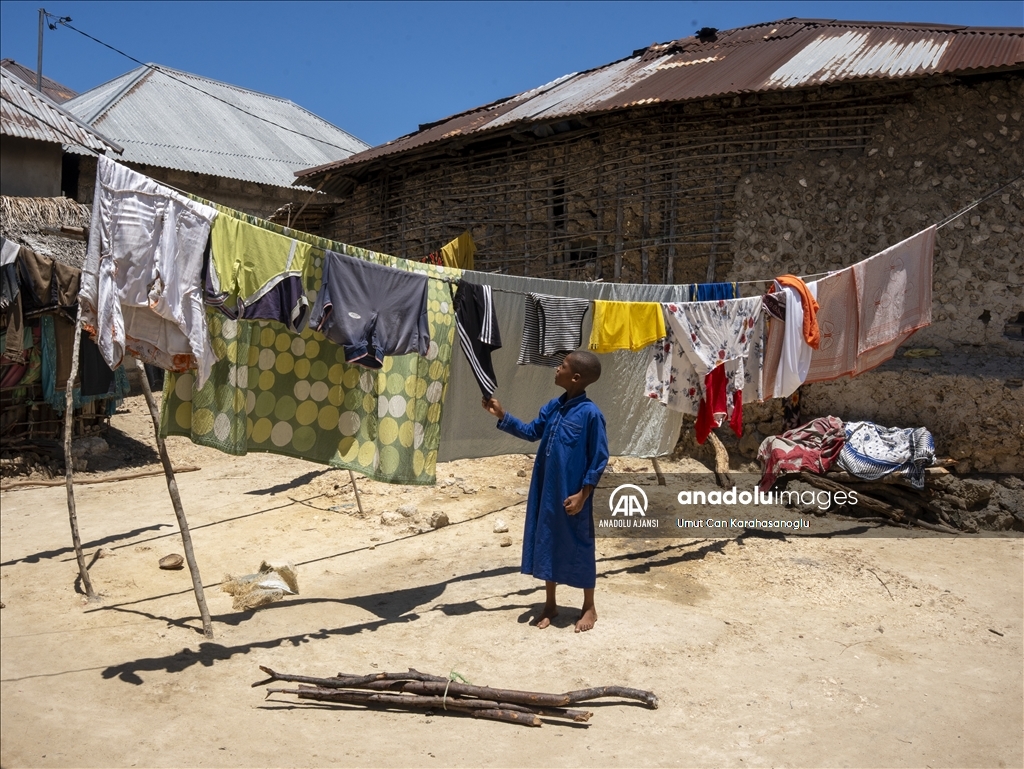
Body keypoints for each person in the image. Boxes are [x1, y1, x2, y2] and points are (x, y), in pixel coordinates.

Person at [482, 350, 609, 632]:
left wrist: (583, 494)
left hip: (574, 493)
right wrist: (503, 415)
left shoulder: (591, 414)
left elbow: (599, 458)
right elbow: (531, 431)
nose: (557, 369)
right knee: (547, 539)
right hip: (546, 489)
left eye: (562, 366)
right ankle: (550, 603)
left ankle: (589, 606)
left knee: (581, 544)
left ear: (575, 377)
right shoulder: (553, 406)